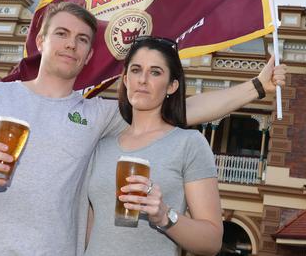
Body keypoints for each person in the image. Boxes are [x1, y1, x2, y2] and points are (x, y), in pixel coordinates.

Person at [0, 2, 286, 255]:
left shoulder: (97, 115)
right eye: (61, 33)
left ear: (90, 55)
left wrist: (256, 87)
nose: (71, 44)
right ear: (41, 41)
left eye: (82, 39)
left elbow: (179, 109)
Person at [84, 36, 221, 255]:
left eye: (155, 72)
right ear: (126, 79)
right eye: (136, 70)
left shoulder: (189, 144)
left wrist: (165, 215)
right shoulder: (102, 144)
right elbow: (91, 228)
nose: (143, 79)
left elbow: (212, 242)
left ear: (172, 86)